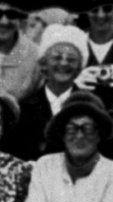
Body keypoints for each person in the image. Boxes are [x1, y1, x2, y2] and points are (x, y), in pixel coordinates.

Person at [6, 25, 87, 163]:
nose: (63, 63)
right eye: (57, 57)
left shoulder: (89, 107)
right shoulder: (24, 109)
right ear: (44, 63)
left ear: (79, 67)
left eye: (71, 59)